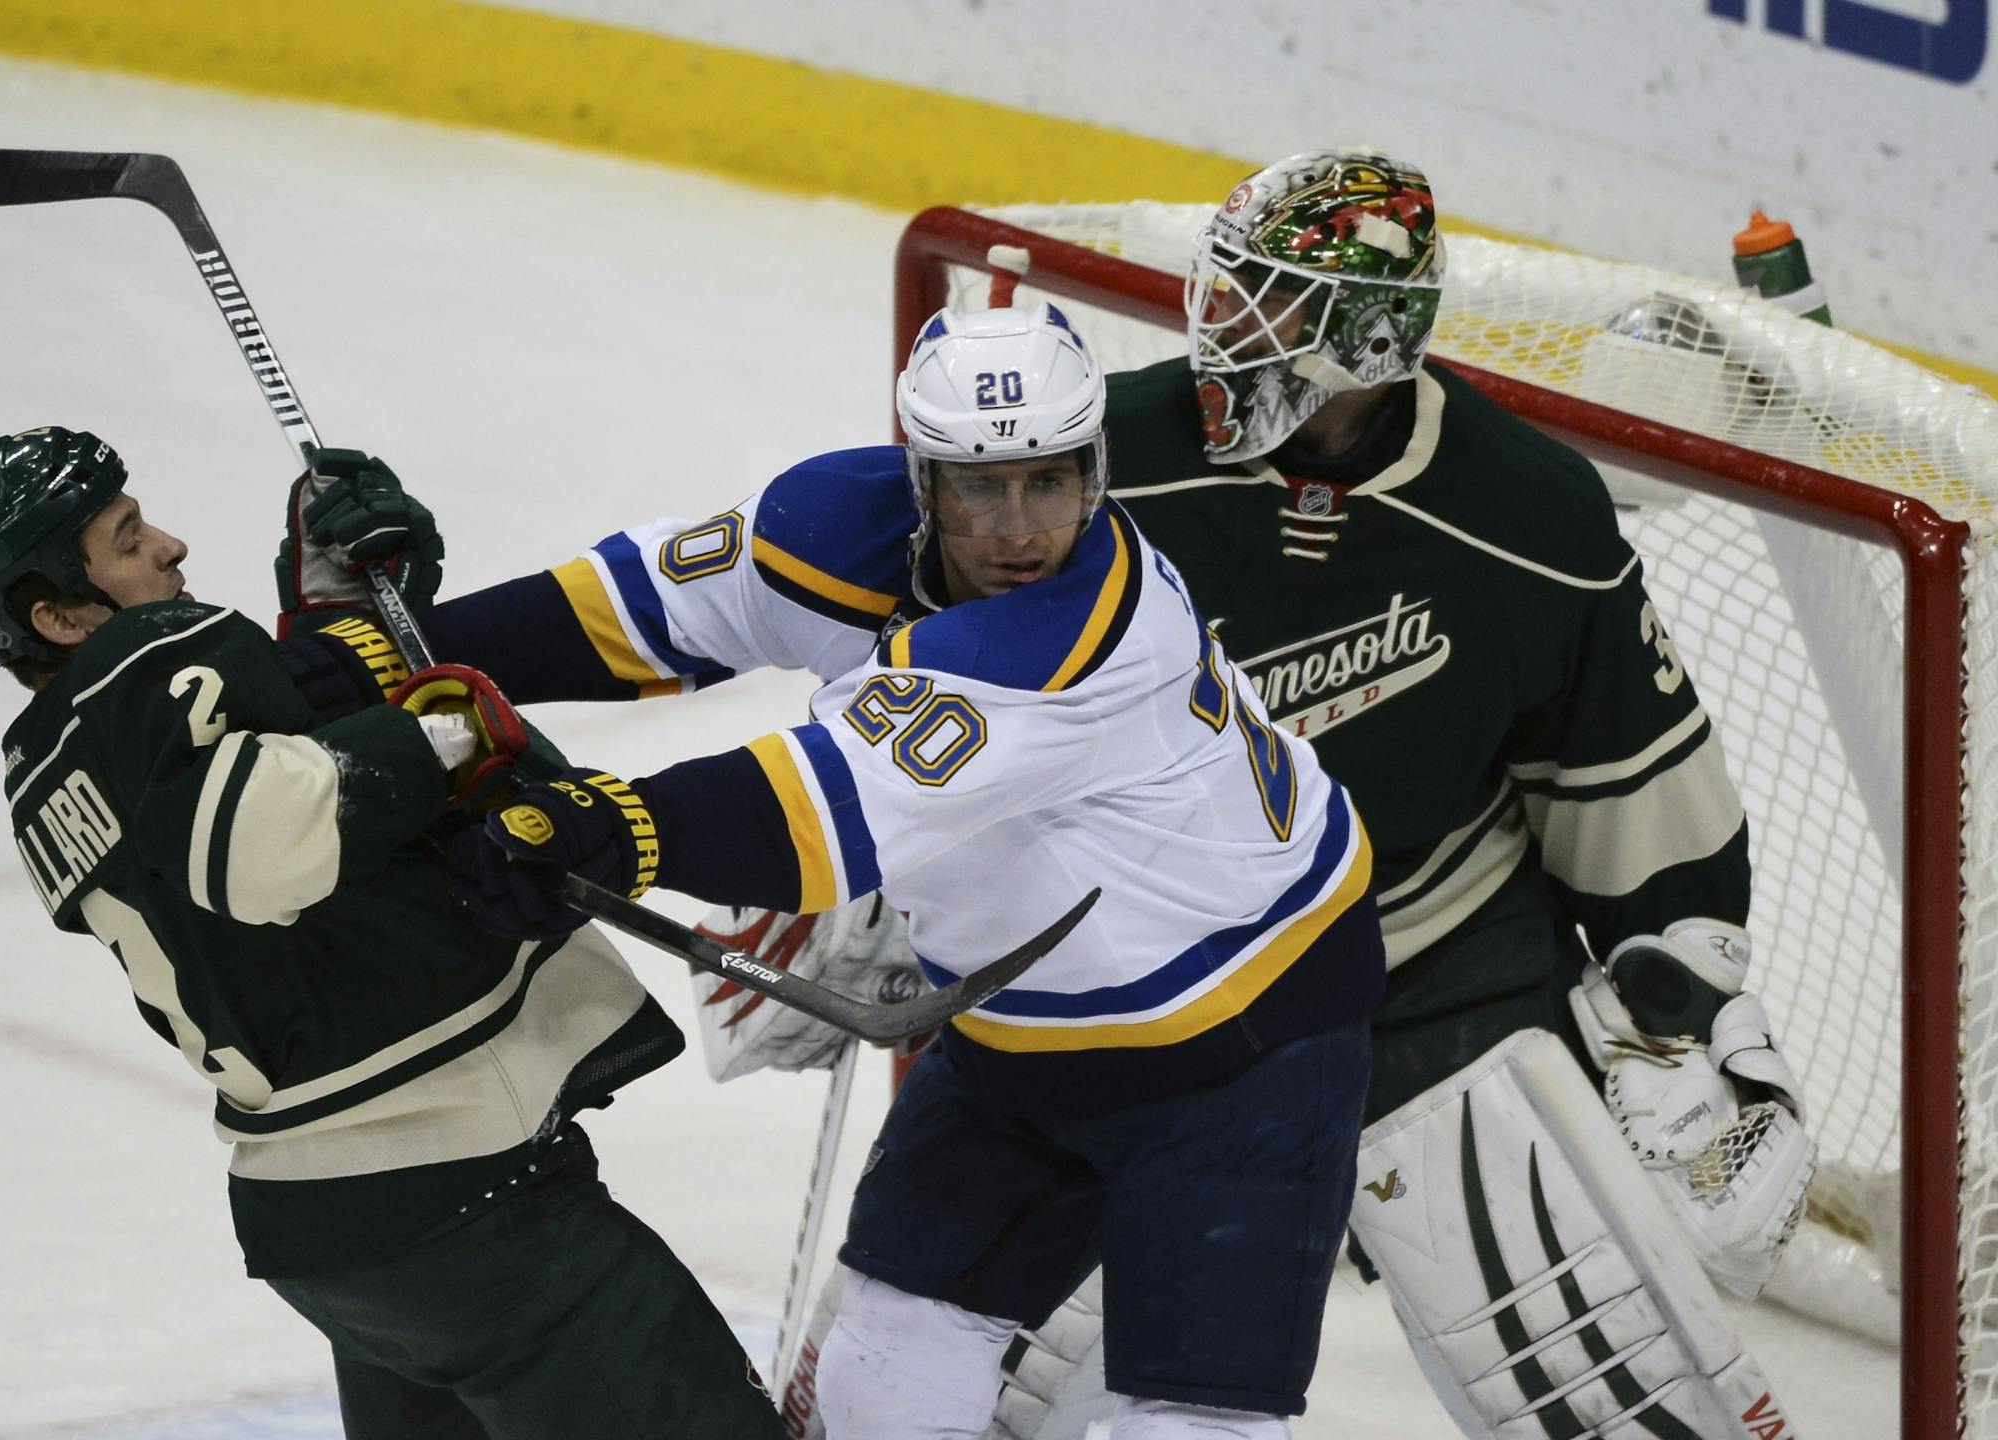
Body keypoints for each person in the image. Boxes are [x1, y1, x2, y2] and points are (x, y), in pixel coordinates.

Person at [704, 153, 1820, 1440]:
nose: (1227, 327)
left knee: (1631, 1411)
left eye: (1277, 306)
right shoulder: (1097, 461)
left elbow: (1632, 782)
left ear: (1374, 337)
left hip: (1435, 975)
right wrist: (871, 863)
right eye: (1231, 288)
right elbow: (938, 673)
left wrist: (1686, 988)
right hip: (1151, 981)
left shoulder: (1532, 516)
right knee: (940, 1385)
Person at [417, 303, 1388, 1440]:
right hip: (1018, 1021)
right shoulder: (839, 520)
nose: (1019, 528)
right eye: (980, 488)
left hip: (1246, 1039)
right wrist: (397, 646)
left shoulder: (1086, 636)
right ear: (923, 480)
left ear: (1097, 470)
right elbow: (630, 612)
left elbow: (813, 818)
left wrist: (608, 825)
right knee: (882, 1362)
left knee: (1189, 1422)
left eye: (1051, 481)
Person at [0, 427, 785, 1440]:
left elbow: (241, 810)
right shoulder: (157, 659)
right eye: (128, 537)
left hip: (325, 1225)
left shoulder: (46, 768)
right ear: (60, 613)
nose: (171, 547)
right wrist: (444, 729)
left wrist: (346, 629)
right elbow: (258, 842)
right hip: (464, 1194)